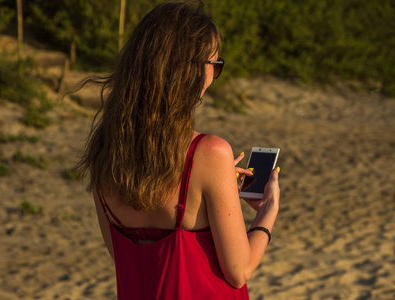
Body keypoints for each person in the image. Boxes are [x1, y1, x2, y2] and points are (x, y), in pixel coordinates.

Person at [76, 1, 280, 299]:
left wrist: (217, 185)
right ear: (190, 72)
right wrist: (268, 210)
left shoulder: (105, 151)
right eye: (215, 65)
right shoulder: (210, 152)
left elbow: (123, 256)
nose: (214, 75)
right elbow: (239, 271)